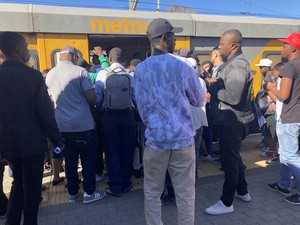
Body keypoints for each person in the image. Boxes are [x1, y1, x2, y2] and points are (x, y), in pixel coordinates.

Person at [133, 18, 205, 225]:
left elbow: (141, 107)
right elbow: (198, 99)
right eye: (173, 36)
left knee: (153, 193)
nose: (176, 40)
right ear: (165, 38)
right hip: (182, 141)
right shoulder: (182, 67)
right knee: (185, 194)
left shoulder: (141, 70)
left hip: (155, 141)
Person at [0, 31, 64, 225]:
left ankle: (11, 221)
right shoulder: (33, 76)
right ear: (19, 49)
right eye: (27, 47)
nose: (28, 50)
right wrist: (58, 141)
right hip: (32, 145)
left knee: (18, 183)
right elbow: (46, 114)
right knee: (32, 189)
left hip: (7, 145)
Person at [46, 45, 106, 204]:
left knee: (70, 162)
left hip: (62, 127)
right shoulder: (80, 72)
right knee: (88, 160)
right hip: (83, 125)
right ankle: (89, 193)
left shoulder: (50, 74)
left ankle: (72, 194)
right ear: (73, 56)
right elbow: (92, 97)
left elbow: (52, 98)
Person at [205, 29, 254, 215]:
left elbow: (234, 97)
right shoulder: (231, 63)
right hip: (229, 120)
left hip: (232, 122)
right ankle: (243, 191)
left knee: (229, 161)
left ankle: (226, 202)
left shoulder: (237, 66)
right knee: (234, 157)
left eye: (222, 43)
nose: (219, 46)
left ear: (233, 45)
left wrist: (214, 88)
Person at [95, 47, 136, 197]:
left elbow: (98, 98)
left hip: (110, 117)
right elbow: (136, 97)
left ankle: (115, 186)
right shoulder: (130, 75)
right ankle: (126, 183)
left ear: (110, 59)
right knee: (127, 150)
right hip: (128, 116)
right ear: (123, 60)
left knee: (112, 151)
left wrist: (99, 114)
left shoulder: (102, 74)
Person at [264, 32, 300, 204]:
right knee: (286, 155)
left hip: (289, 116)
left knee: (291, 156)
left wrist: (271, 86)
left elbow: (283, 95)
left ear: (293, 48)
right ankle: (284, 184)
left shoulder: (289, 67)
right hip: (297, 115)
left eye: (284, 45)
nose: (281, 48)